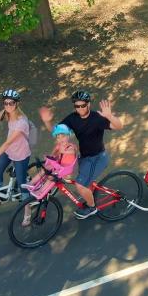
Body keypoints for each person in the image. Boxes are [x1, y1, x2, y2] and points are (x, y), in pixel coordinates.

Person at [39, 90, 123, 219]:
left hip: (97, 158)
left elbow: (119, 126)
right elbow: (58, 132)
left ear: (88, 104)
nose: (80, 109)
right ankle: (88, 193)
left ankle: (91, 207)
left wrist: (109, 116)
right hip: (84, 157)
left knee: (80, 184)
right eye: (77, 106)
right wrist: (47, 122)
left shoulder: (97, 118)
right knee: (80, 181)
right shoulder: (73, 118)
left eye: (83, 105)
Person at [0, 87, 31, 211]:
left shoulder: (22, 122)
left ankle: (27, 211)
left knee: (22, 184)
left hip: (20, 155)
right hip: (9, 152)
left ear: (17, 103)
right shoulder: (6, 113)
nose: (8, 105)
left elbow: (7, 143)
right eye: (5, 103)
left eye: (11, 103)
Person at [20, 123, 78, 226]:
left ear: (68, 135)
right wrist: (50, 157)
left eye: (63, 136)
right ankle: (32, 183)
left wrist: (59, 152)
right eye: (58, 137)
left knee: (51, 177)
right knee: (45, 169)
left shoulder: (71, 147)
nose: (61, 139)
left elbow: (68, 153)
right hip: (58, 166)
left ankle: (41, 191)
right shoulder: (59, 146)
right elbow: (53, 155)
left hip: (65, 169)